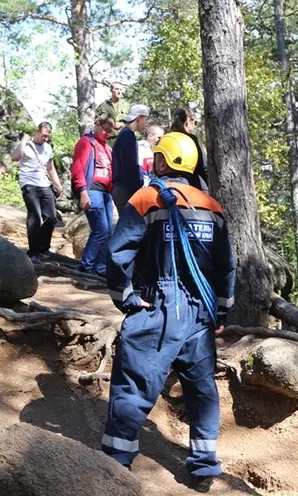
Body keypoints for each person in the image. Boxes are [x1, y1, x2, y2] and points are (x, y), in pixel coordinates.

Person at [102, 132, 235, 493]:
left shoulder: (146, 198)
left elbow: (118, 253)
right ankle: (205, 465)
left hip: (159, 307)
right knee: (201, 388)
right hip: (200, 313)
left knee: (134, 384)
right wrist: (222, 312)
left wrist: (127, 298)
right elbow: (226, 266)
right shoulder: (212, 205)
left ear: (162, 162)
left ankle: (115, 465)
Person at [11, 122, 63, 263]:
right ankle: (33, 252)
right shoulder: (25, 145)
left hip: (44, 185)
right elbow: (15, 157)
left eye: (48, 136)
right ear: (37, 131)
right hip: (29, 184)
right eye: (44, 135)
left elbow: (50, 168)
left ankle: (43, 248)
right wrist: (23, 140)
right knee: (35, 216)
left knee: (51, 217)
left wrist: (58, 185)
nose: (46, 138)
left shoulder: (47, 148)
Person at [70, 114, 116, 277]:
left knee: (109, 231)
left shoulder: (106, 147)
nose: (107, 134)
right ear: (97, 124)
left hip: (106, 193)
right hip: (92, 190)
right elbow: (78, 169)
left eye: (110, 132)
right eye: (105, 130)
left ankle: (101, 267)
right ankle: (85, 266)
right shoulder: (85, 143)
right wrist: (83, 192)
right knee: (101, 229)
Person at [111, 104, 150, 214]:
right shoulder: (128, 135)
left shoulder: (126, 134)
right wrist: (138, 185)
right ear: (139, 118)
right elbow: (129, 165)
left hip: (123, 188)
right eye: (145, 119)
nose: (146, 123)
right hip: (125, 189)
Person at [171, 108, 209, 194]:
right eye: (195, 122)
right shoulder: (192, 140)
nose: (195, 126)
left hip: (171, 186)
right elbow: (203, 166)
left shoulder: (166, 139)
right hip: (194, 186)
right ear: (188, 120)